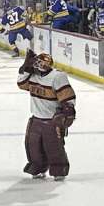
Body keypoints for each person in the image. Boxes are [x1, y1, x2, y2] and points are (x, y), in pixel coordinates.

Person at [16, 50, 76, 180]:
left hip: (52, 120)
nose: (36, 64)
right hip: (36, 118)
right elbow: (21, 85)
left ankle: (59, 170)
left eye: (39, 62)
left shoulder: (57, 77)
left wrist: (67, 110)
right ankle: (38, 167)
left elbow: (68, 97)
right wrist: (25, 69)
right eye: (35, 62)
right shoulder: (32, 75)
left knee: (54, 147)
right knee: (33, 146)